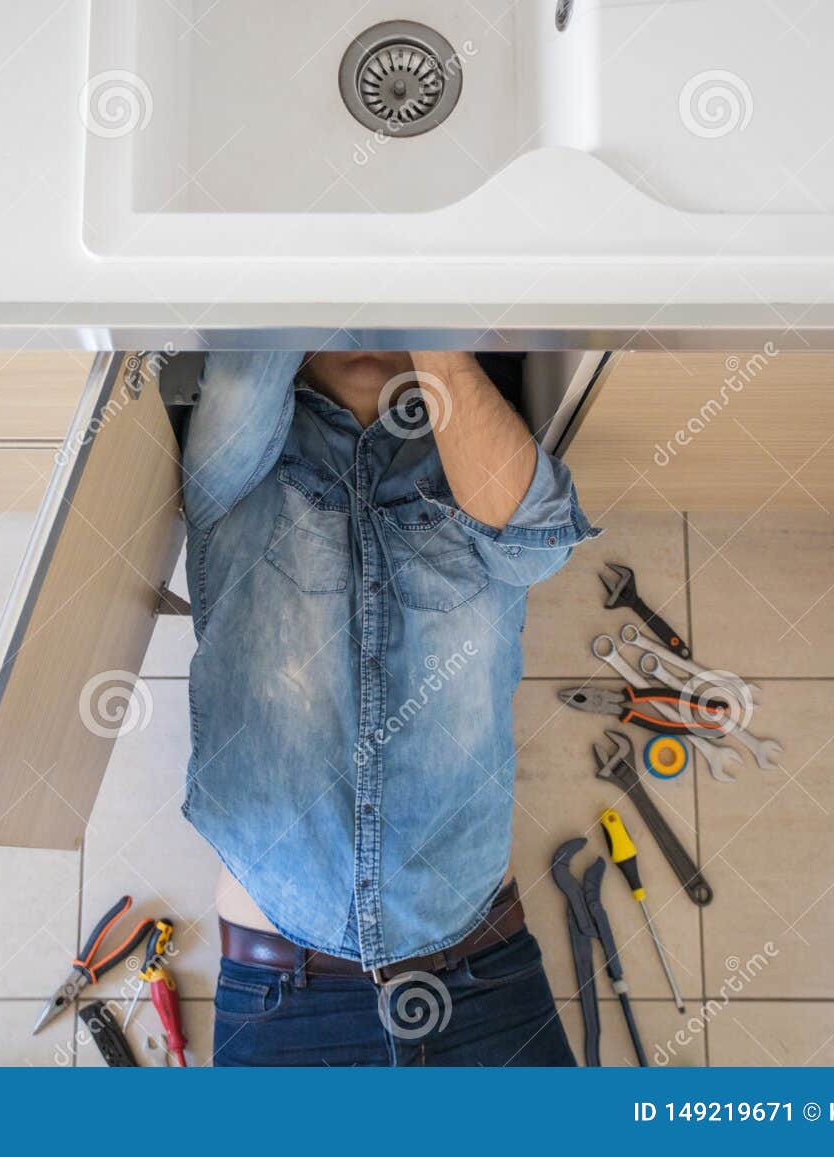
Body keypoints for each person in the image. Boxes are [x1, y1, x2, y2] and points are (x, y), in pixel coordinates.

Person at [177, 350, 600, 1066]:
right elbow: (255, 347)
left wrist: (427, 319)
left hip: (483, 979)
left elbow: (537, 542)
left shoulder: (469, 449)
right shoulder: (235, 469)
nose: (366, 325)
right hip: (288, 996)